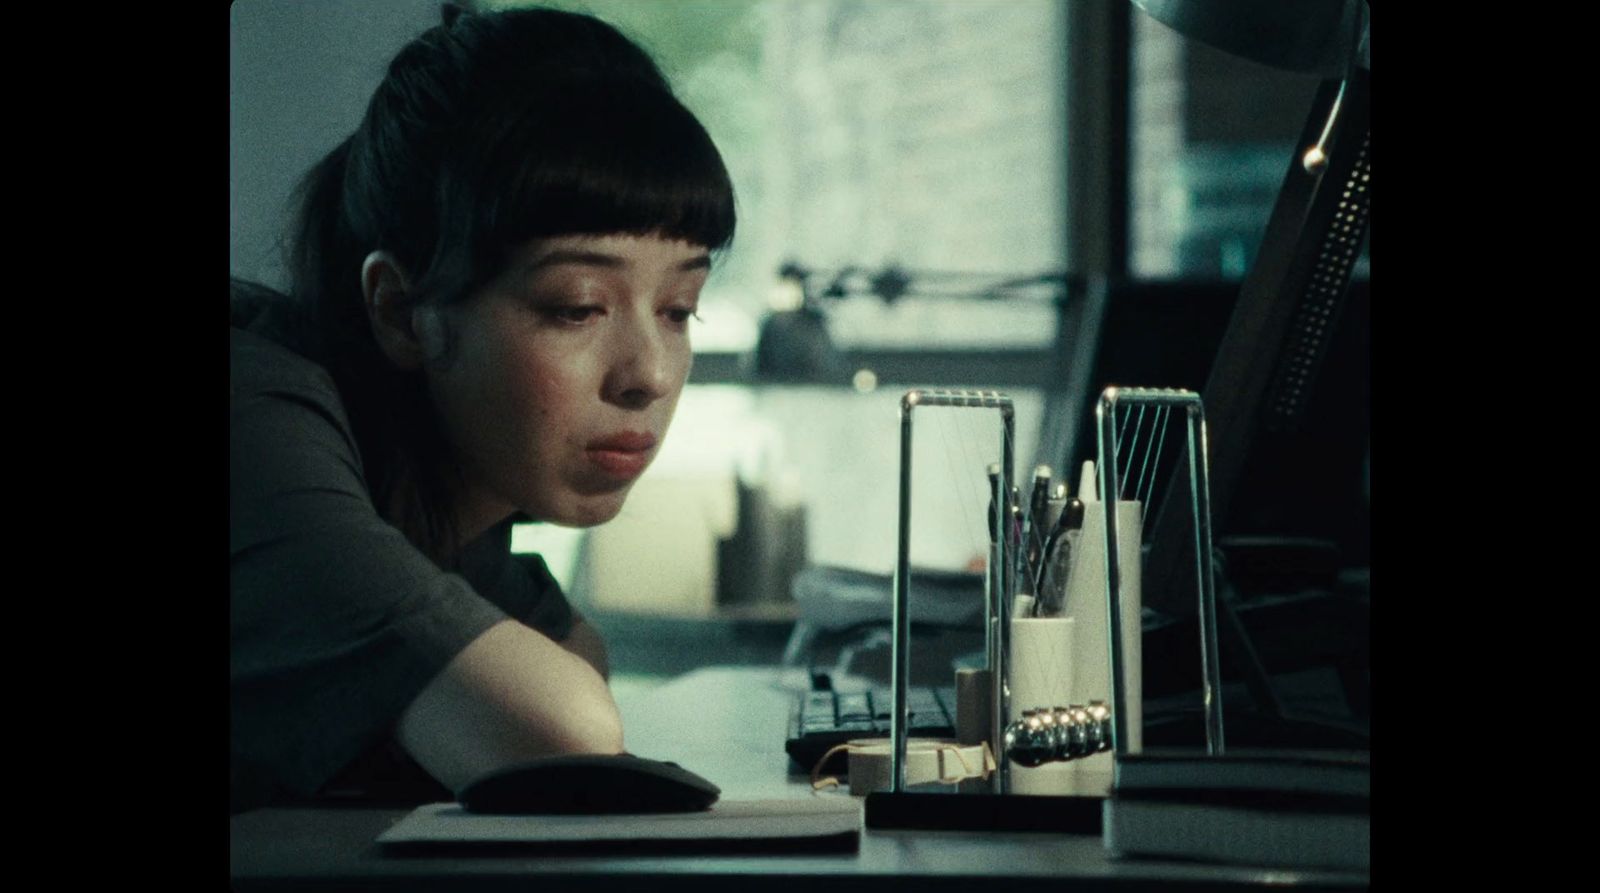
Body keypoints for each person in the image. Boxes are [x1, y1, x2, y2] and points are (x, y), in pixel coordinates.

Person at [229, 3, 735, 813]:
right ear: (400, 311)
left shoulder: (454, 512)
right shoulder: (252, 417)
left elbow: (571, 656)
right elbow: (557, 731)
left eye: (680, 308)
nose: (648, 374)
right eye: (577, 306)